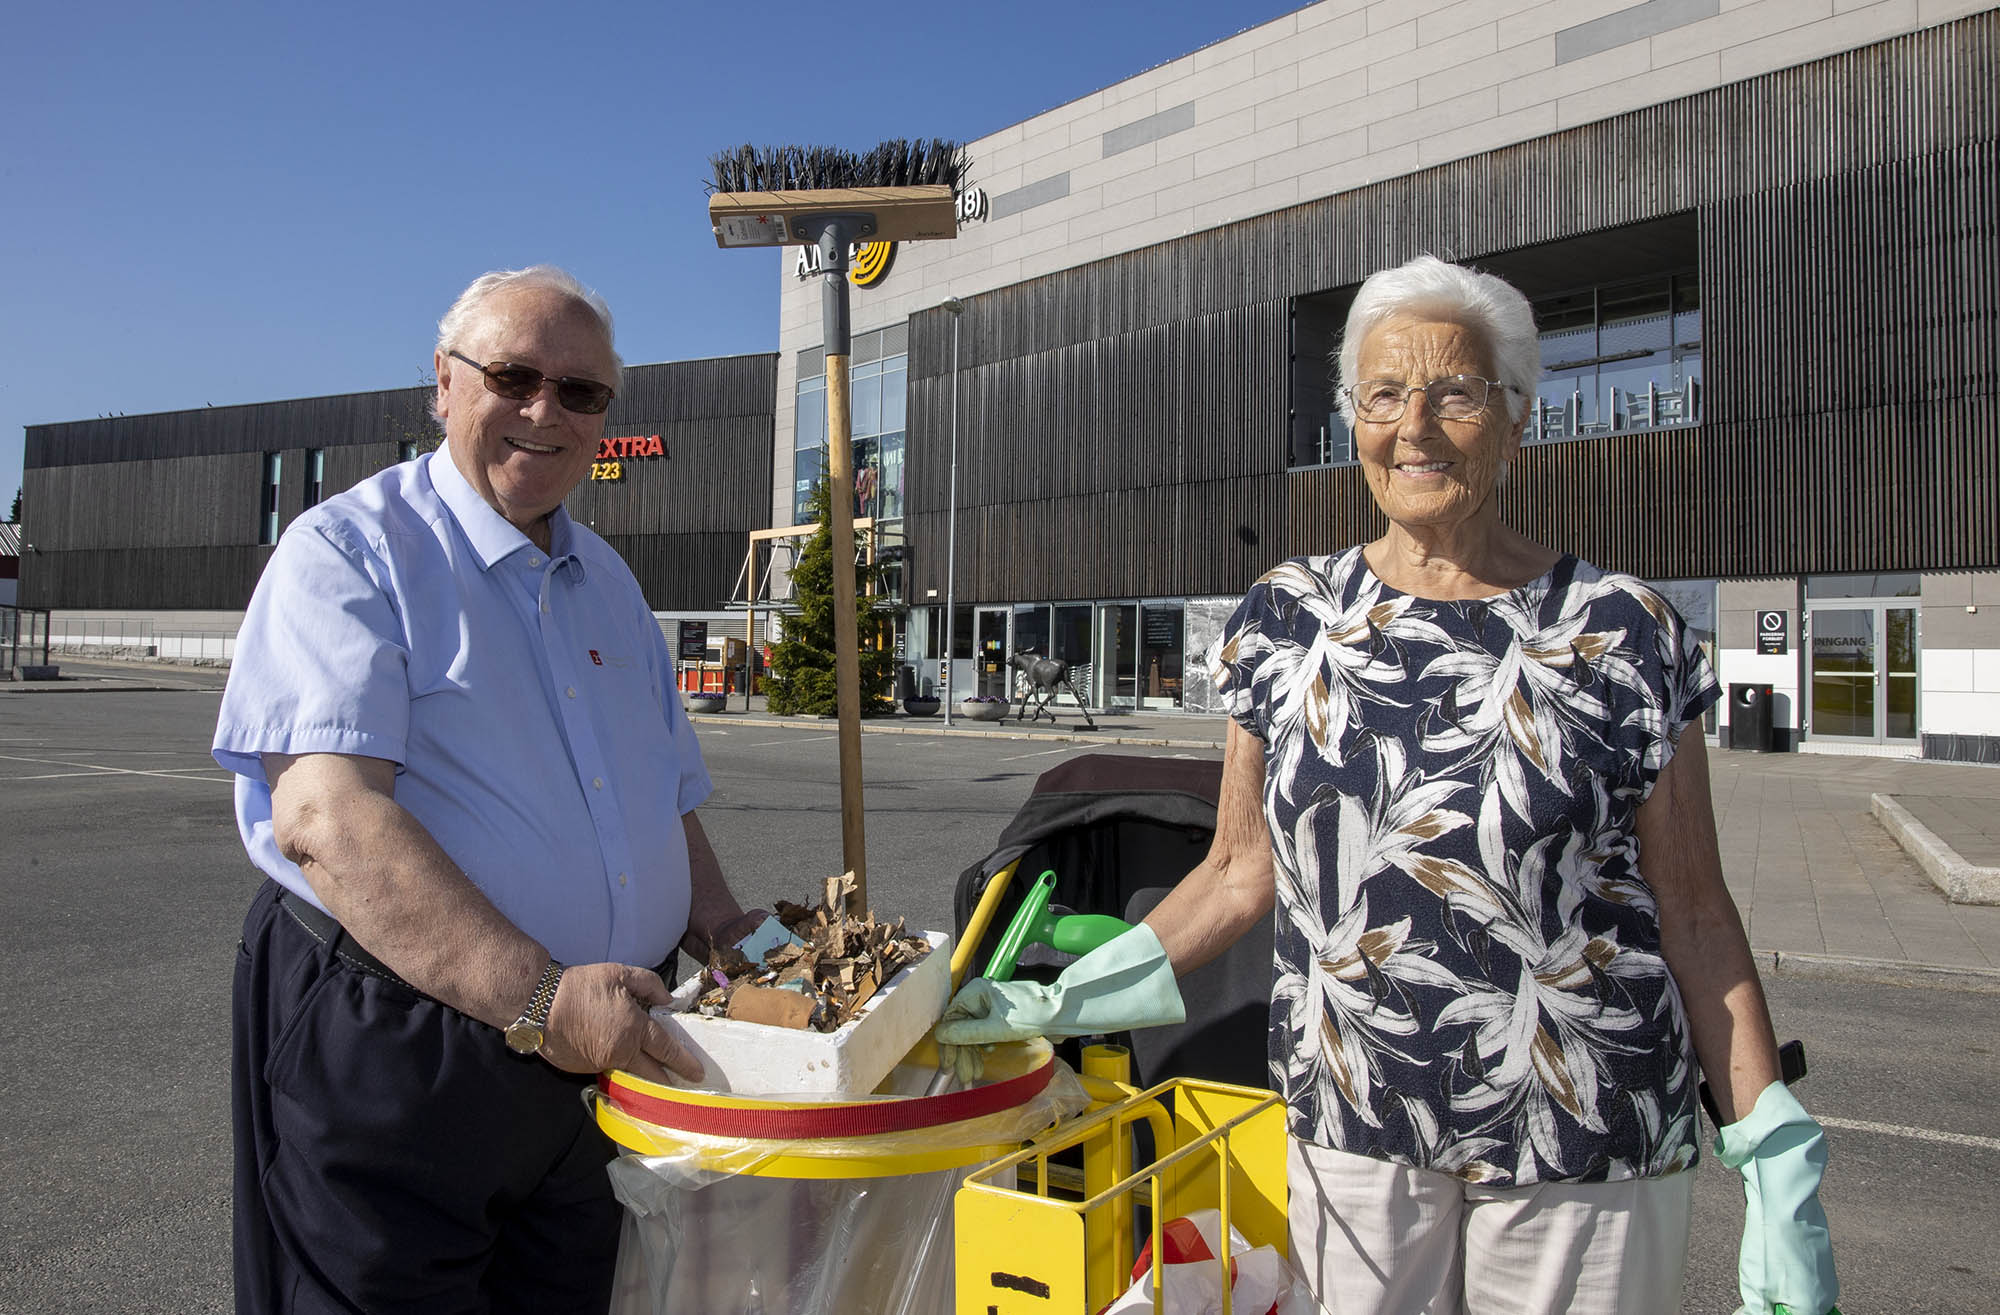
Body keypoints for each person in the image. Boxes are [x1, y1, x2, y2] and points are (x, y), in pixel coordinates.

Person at [937, 255, 1839, 1315]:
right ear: (1349, 420)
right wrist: (1068, 994)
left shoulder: (1626, 629)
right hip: (1352, 1129)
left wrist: (1768, 1137)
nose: (1412, 425)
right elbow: (1234, 872)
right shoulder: (1280, 619)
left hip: (1586, 1130)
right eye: (1379, 395)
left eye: (1452, 392)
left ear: (1513, 417)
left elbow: (1690, 906)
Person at [214, 265, 762, 1315]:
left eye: (581, 392)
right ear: (443, 383)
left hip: (598, 1050)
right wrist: (542, 1000)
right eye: (514, 375)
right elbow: (328, 819)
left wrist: (732, 931)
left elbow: (660, 793)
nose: (544, 412)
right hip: (408, 1045)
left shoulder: (607, 579)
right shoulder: (350, 551)